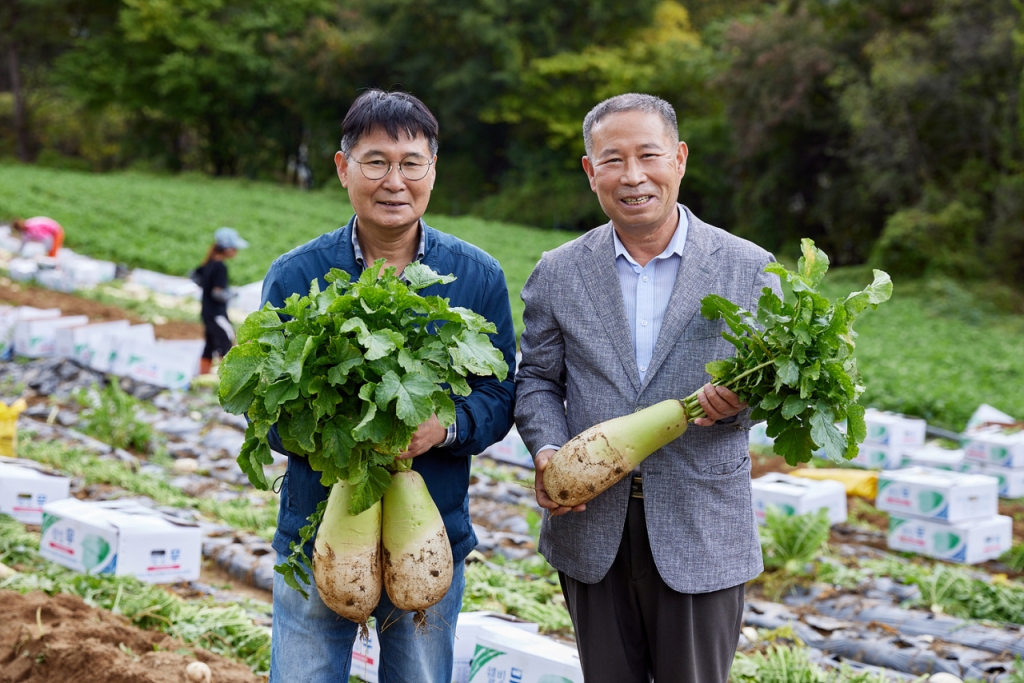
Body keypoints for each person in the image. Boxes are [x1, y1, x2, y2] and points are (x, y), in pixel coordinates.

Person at [515, 93, 783, 683]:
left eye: (649, 155)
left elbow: (779, 383)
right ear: (591, 173)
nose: (633, 176)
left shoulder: (749, 268)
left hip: (700, 527)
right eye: (612, 160)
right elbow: (536, 378)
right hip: (590, 524)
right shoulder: (559, 270)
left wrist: (747, 404)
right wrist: (548, 452)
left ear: (680, 159)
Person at [263, 89, 516, 683]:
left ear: (433, 169)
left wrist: (443, 427)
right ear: (343, 167)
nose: (393, 181)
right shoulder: (296, 274)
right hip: (317, 530)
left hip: (429, 536)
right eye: (376, 161)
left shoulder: (476, 277)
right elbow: (268, 408)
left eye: (411, 163)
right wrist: (341, 438)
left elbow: (500, 393)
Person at [197, 227, 248, 375]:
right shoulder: (220, 266)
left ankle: (202, 380)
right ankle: (228, 382)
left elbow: (195, 276)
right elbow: (217, 293)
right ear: (227, 248)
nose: (236, 252)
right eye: (234, 248)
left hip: (206, 312)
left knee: (210, 346)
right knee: (226, 344)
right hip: (216, 313)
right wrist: (232, 294)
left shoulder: (209, 263)